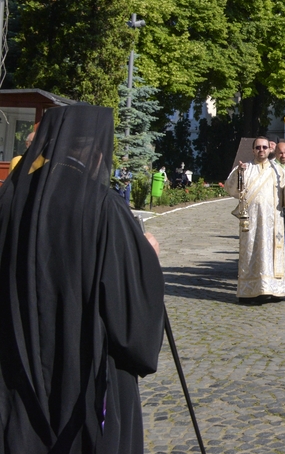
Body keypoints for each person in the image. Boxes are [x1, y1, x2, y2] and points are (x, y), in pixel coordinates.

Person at [0, 105, 165, 453]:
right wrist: (147, 257)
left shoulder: (12, 196)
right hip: (84, 367)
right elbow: (129, 315)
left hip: (19, 356)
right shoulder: (101, 205)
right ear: (95, 152)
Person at [224, 135, 285, 303]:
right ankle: (249, 291)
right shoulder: (245, 168)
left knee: (271, 254)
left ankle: (273, 290)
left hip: (273, 222)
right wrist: (238, 172)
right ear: (253, 150)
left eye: (264, 147)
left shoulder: (278, 171)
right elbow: (231, 189)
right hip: (251, 221)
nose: (261, 150)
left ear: (269, 149)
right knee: (251, 254)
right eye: (258, 147)